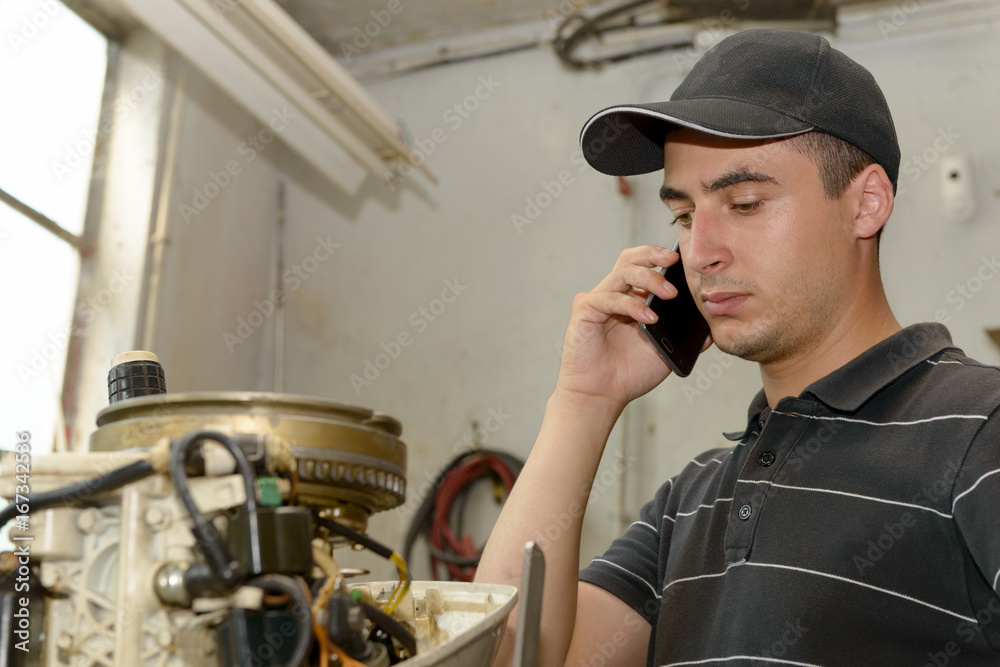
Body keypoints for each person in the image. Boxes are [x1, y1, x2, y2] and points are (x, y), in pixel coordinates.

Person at [476, 29, 1000, 666]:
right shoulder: (688, 505)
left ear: (866, 203)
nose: (699, 254)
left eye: (745, 203)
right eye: (685, 215)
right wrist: (582, 402)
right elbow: (508, 658)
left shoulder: (982, 431)